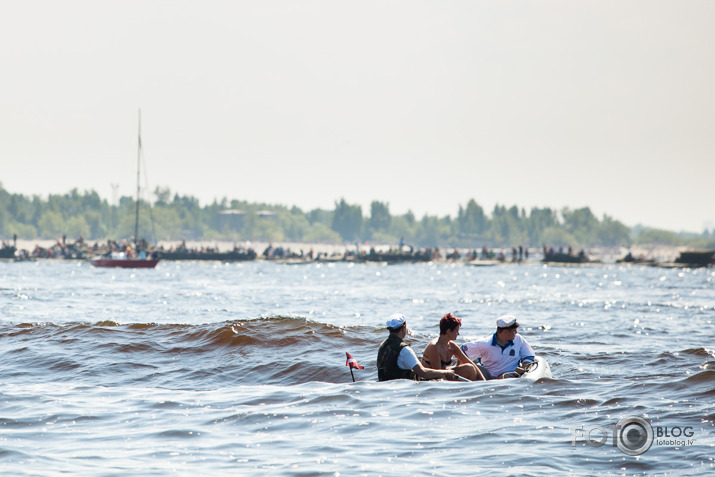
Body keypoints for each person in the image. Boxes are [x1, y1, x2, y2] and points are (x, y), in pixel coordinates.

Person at [377, 314, 457, 382]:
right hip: (401, 389)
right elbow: (423, 372)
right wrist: (445, 373)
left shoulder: (382, 346)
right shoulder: (404, 349)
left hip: (385, 387)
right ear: (404, 327)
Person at [460, 315, 535, 379]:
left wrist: (523, 368)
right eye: (514, 330)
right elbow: (462, 351)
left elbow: (528, 356)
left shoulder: (518, 339)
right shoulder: (485, 344)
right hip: (491, 379)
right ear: (506, 332)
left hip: (513, 375)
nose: (516, 332)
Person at [421, 313, 485, 381]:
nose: (458, 334)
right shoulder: (434, 347)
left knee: (470, 368)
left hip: (444, 373)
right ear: (448, 331)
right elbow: (438, 374)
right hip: (432, 378)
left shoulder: (452, 346)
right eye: (456, 331)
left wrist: (483, 381)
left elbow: (469, 363)